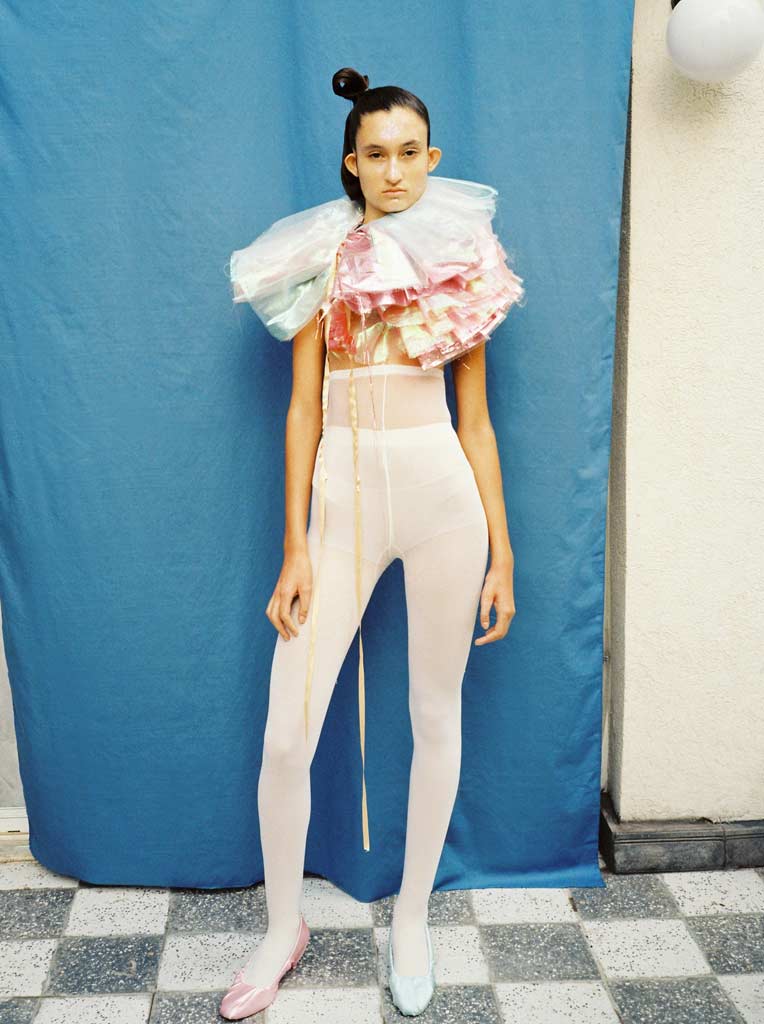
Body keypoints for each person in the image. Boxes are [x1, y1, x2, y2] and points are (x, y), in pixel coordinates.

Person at [219, 66, 524, 1020]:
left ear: (430, 160)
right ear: (353, 164)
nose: (393, 172)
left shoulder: (463, 256)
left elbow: (476, 423)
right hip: (342, 500)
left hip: (443, 498)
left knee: (438, 714)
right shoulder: (321, 254)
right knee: (283, 735)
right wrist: (296, 547)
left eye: (408, 154)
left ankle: (413, 920)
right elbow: (302, 408)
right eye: (375, 155)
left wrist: (503, 553)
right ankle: (283, 928)